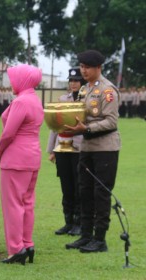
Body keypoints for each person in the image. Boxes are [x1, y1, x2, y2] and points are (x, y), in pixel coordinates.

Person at [64, 50, 121, 253]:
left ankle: (100, 239)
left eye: (87, 67)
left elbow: (111, 121)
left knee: (101, 193)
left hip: (105, 148)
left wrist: (87, 129)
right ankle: (85, 235)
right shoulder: (84, 90)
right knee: (84, 191)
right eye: (82, 66)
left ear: (99, 67)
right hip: (86, 147)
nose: (84, 71)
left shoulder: (107, 90)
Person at [0, 64, 44, 265]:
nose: (11, 82)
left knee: (13, 205)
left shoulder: (21, 102)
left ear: (22, 80)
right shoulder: (34, 100)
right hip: (32, 157)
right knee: (27, 203)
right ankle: (27, 243)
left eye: (13, 78)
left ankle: (16, 249)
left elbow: (8, 133)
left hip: (15, 158)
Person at [46, 67, 86, 236]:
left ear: (82, 82)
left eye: (76, 80)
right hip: (62, 147)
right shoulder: (63, 99)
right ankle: (68, 222)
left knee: (79, 187)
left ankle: (79, 223)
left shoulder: (87, 100)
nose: (73, 83)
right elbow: (55, 127)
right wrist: (52, 149)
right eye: (71, 81)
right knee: (66, 186)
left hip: (79, 148)